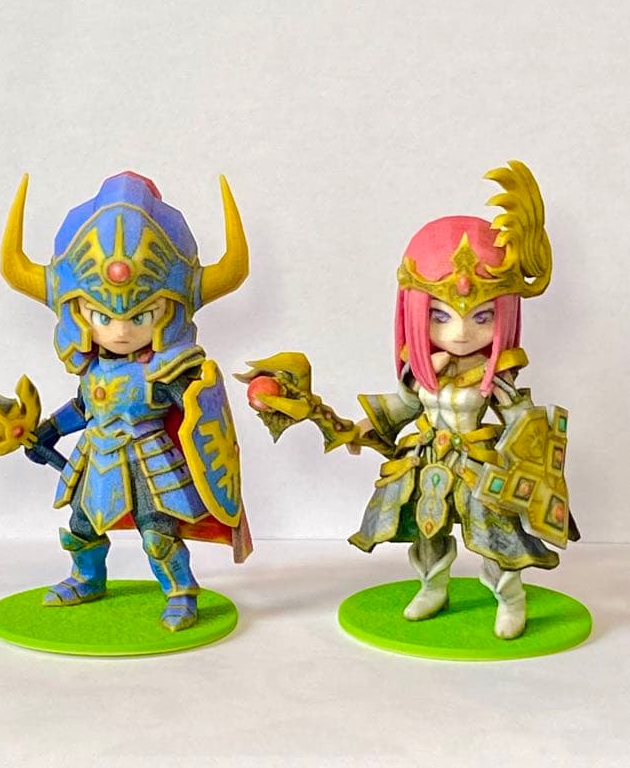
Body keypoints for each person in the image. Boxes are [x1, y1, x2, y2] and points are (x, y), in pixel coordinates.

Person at [245, 161, 574, 639]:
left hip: (480, 464)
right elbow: (402, 408)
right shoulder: (420, 372)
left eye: (482, 317)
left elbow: (527, 427)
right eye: (441, 316)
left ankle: (510, 598)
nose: (461, 332)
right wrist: (358, 429)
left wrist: (529, 457)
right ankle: (432, 587)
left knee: (496, 537)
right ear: (416, 313)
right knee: (426, 528)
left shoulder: (497, 374)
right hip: (427, 459)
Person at [1, 170, 252, 631]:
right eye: (102, 316)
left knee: (158, 532)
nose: (120, 331)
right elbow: (84, 407)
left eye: (140, 316)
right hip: (96, 453)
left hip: (150, 457)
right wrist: (50, 431)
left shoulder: (165, 369)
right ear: (78, 313)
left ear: (167, 312)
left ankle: (180, 592)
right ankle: (87, 578)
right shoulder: (93, 368)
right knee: (82, 525)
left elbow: (197, 414)